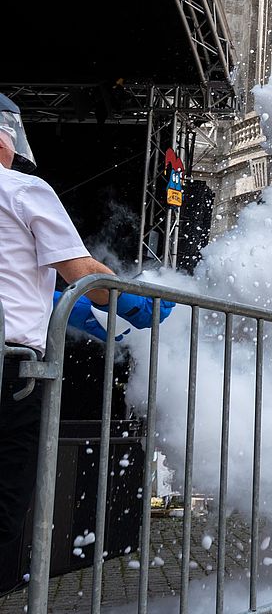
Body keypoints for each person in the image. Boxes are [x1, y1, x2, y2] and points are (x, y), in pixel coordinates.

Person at [0, 94, 172, 595]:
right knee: (5, 507)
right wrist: (136, 296)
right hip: (10, 372)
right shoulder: (23, 190)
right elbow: (86, 279)